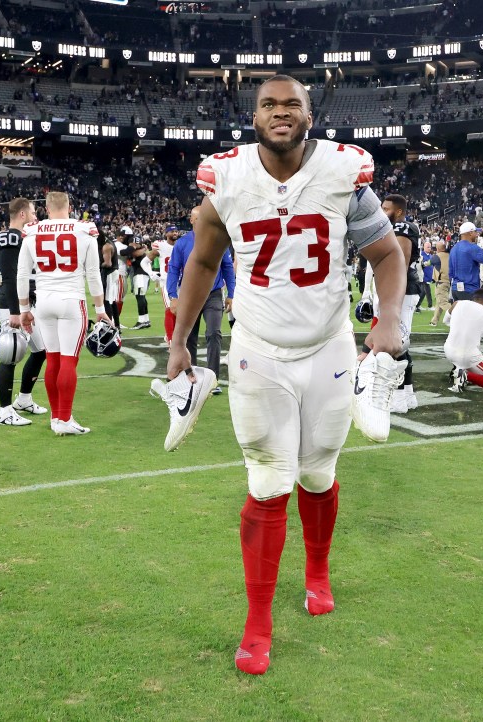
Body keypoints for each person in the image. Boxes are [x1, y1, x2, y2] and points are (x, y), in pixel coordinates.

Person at [160, 74, 406, 675]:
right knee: (269, 479)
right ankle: (258, 622)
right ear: (254, 116)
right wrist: (179, 341)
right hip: (258, 350)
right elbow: (203, 261)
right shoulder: (227, 179)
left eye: (291, 103)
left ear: (309, 113)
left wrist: (390, 317)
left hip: (329, 347)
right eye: (269, 104)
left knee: (318, 473)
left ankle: (317, 571)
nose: (280, 112)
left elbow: (387, 253)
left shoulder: (346, 178)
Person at [17, 191, 109, 435]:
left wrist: (24, 309)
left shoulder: (32, 231)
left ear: (47, 209)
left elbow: (23, 275)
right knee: (68, 360)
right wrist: (100, 309)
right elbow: (93, 273)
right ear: (69, 207)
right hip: (71, 300)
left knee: (53, 359)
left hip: (44, 301)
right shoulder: (84, 229)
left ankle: (57, 418)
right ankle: (64, 419)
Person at [166, 206, 236, 394]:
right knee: (190, 337)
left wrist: (231, 293)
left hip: (213, 294)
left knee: (214, 333)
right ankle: (192, 378)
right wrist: (173, 296)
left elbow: (228, 267)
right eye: (198, 219)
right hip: (190, 295)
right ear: (192, 221)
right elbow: (173, 269)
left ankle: (213, 379)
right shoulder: (182, 244)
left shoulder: (217, 241)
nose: (201, 222)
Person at [0, 197, 48, 427]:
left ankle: (24, 399)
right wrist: (16, 311)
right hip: (11, 306)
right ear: (23, 214)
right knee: (10, 355)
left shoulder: (23, 237)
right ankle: (4, 411)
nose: (36, 216)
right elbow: (9, 276)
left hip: (25, 304)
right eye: (33, 212)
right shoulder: (10, 237)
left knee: (40, 350)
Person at [379, 193, 423, 413]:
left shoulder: (403, 228)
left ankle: (397, 398)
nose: (381, 211)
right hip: (403, 289)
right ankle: (407, 393)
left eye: (386, 208)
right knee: (401, 342)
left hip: (403, 290)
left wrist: (392, 293)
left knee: (396, 342)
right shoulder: (395, 228)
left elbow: (401, 263)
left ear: (398, 212)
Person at [448, 221, 483, 303]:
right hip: (469, 290)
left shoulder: (454, 248)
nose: (477, 234)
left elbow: (450, 273)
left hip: (455, 289)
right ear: (470, 233)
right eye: (475, 232)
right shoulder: (472, 247)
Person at [429, 239, 451, 327]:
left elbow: (428, 263)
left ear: (437, 249)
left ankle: (457, 314)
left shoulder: (437, 256)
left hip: (441, 282)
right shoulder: (449, 255)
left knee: (443, 302)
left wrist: (422, 264)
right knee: (439, 302)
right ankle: (434, 321)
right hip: (449, 281)